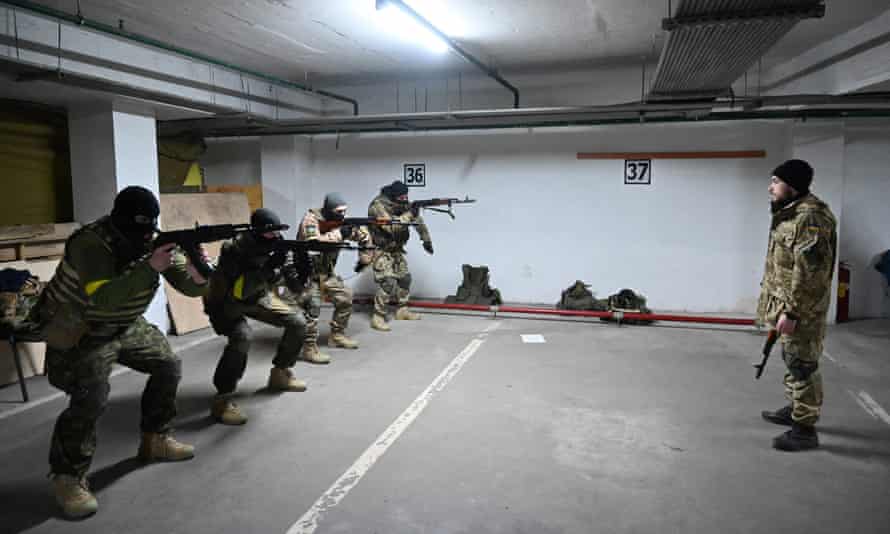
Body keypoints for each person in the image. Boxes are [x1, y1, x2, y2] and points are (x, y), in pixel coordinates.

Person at [33, 186, 209, 519]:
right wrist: (150, 268)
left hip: (123, 324)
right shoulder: (90, 243)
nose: (143, 237)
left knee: (168, 363)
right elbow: (102, 299)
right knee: (92, 394)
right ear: (117, 221)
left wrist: (201, 271)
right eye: (136, 230)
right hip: (80, 329)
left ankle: (155, 437)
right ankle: (67, 477)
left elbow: (189, 285)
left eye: (148, 230)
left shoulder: (153, 240)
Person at [203, 208, 310, 426]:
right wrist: (270, 267)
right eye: (271, 233)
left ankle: (280, 373)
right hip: (225, 302)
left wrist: (302, 271)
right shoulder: (234, 249)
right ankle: (222, 400)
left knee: (298, 322)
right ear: (256, 232)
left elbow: (290, 279)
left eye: (278, 233)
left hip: (256, 297)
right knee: (242, 337)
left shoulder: (275, 245)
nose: (276, 237)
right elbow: (240, 290)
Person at [758, 159, 837, 451]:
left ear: (792, 186)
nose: (771, 187)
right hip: (788, 304)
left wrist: (793, 312)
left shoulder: (810, 218)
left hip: (802, 309)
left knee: (802, 364)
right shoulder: (790, 212)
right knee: (792, 358)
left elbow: (811, 274)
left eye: (776, 181)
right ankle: (795, 410)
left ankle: (804, 429)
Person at [296, 193, 373, 358]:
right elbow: (314, 242)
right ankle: (308, 348)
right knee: (313, 307)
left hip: (326, 274)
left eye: (344, 211)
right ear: (328, 210)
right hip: (306, 274)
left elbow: (364, 236)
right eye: (339, 211)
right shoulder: (311, 220)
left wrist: (364, 259)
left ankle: (336, 336)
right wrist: (340, 234)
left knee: (346, 297)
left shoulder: (339, 222)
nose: (343, 215)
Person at [367, 181, 433, 331]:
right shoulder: (378, 206)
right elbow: (392, 227)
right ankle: (378, 317)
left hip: (396, 249)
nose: (405, 200)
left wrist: (426, 239)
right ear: (393, 196)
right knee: (388, 282)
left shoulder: (401, 204)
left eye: (406, 197)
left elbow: (417, 221)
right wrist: (410, 214)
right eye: (402, 198)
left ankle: (402, 310)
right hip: (380, 250)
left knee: (404, 278)